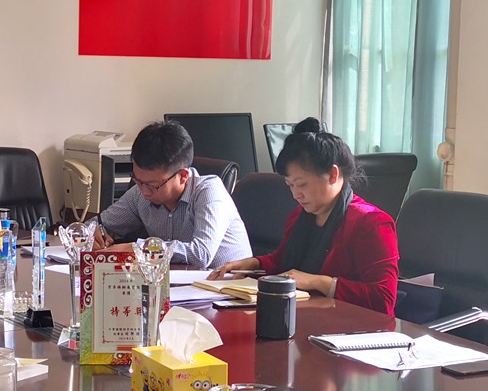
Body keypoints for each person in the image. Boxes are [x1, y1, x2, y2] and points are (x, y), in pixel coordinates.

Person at [208, 117, 398, 313]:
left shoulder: (371, 223)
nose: (296, 195)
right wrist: (253, 264)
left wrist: (319, 282)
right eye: (290, 186)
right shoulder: (300, 215)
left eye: (302, 184)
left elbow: (384, 298)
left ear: (333, 175)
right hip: (305, 315)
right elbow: (283, 263)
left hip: (352, 325)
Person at [93, 120, 253, 267]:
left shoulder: (209, 192)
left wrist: (140, 248)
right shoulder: (139, 193)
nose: (144, 191)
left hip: (228, 285)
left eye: (153, 185)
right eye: (138, 181)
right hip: (176, 283)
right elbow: (97, 224)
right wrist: (95, 233)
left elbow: (201, 254)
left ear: (183, 176)